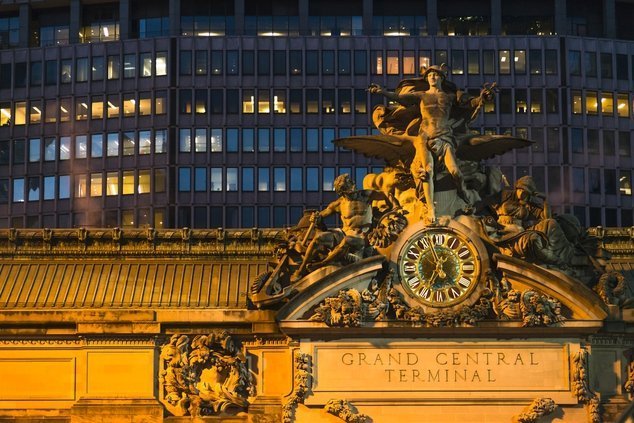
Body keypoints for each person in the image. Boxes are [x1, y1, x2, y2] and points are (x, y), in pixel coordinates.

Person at [368, 64, 493, 223]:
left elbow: (472, 102)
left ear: (441, 78)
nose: (432, 77)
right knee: (427, 172)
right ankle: (430, 209)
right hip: (425, 137)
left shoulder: (450, 96)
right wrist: (382, 92)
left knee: (456, 172)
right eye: (429, 75)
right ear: (426, 78)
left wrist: (483, 98)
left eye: (435, 75)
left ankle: (465, 197)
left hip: (444, 136)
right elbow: (399, 98)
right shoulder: (421, 96)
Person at [294, 174, 390, 278]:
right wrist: (316, 217)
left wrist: (395, 206)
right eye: (348, 183)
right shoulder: (339, 204)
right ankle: (301, 270)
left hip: (363, 238)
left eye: (351, 181)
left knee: (347, 240)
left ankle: (323, 263)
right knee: (319, 238)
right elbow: (322, 214)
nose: (353, 183)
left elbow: (386, 194)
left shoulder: (366, 195)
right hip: (344, 233)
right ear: (342, 190)